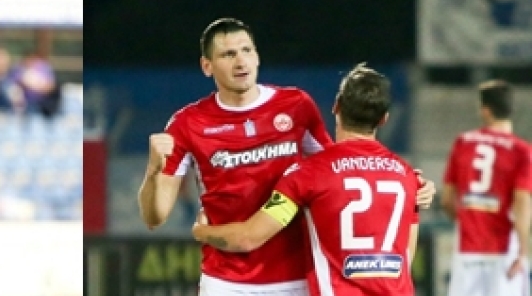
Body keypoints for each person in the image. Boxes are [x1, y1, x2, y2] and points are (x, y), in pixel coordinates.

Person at [137, 18, 434, 295]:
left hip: (294, 278)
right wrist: (152, 171)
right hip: (225, 280)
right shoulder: (188, 124)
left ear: (257, 56)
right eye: (228, 54)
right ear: (207, 65)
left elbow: (340, 168)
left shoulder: (296, 105)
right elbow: (154, 218)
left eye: (247, 50)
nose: (240, 61)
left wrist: (414, 186)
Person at [192, 64, 422, 296]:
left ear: (336, 107)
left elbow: (248, 238)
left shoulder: (308, 174)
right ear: (384, 119)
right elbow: (406, 256)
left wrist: (203, 231)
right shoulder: (407, 176)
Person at [442, 80, 532, 296]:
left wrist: (468, 221)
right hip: (504, 250)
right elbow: (521, 201)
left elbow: (446, 200)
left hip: (467, 250)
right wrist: (523, 248)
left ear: (486, 110)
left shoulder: (463, 143)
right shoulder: (521, 151)